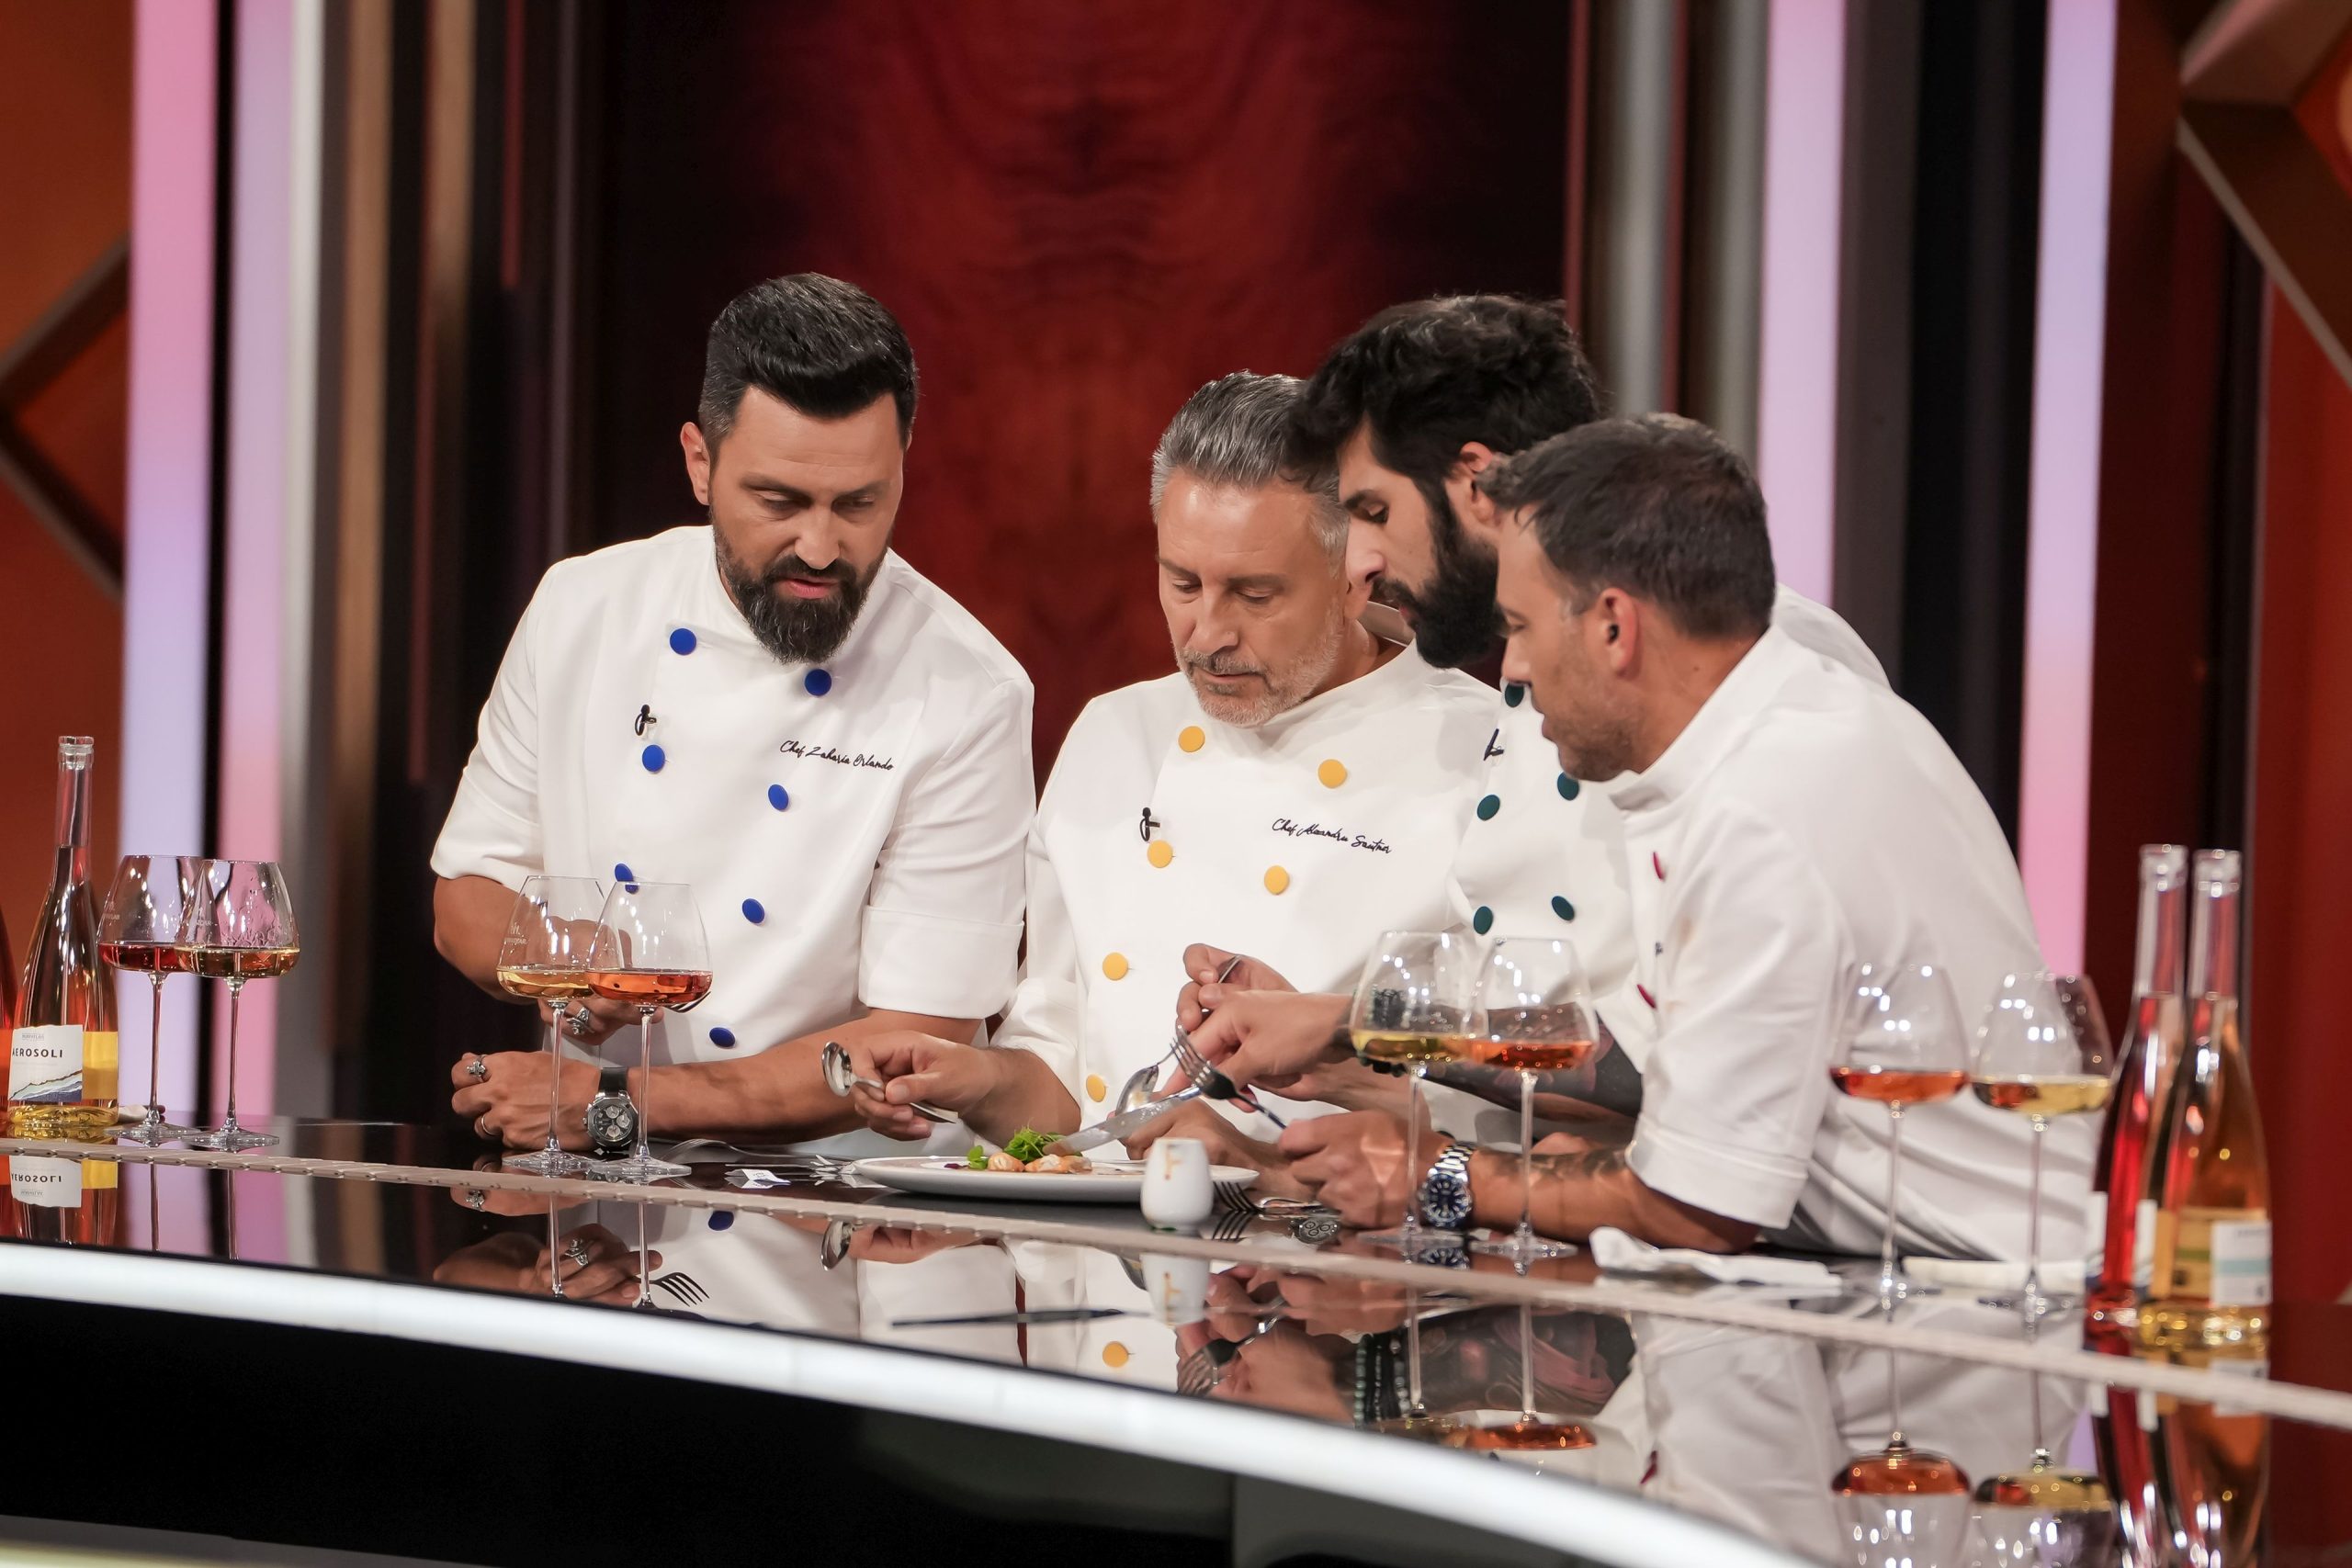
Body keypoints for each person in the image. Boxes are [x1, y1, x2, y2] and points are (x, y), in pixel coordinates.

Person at [1206, 416, 2084, 1260]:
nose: (1513, 671)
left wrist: (1438, 1175)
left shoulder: (1762, 799)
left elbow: (1696, 1205)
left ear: (1615, 628)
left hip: (1978, 1297)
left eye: (1521, 630)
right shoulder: (1743, 748)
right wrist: (1356, 1036)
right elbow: (1653, 1079)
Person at [1174, 294, 1886, 1133]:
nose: (1359, 564)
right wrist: (1339, 1045)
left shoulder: (1740, 655)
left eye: (1374, 512)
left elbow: (1717, 1057)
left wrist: (1350, 1023)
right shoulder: (1533, 683)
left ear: (1477, 484)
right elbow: (1555, 1050)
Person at [845, 373, 1495, 1185]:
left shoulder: (1480, 755)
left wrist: (1277, 1140)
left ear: (1356, 573)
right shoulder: (1115, 735)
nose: (1206, 634)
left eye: (1254, 593)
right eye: (1183, 583)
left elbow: (1516, 1113)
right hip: (1097, 1253)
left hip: (1333, 1254)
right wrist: (978, 1082)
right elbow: (1073, 1094)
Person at [436, 276, 1033, 1153]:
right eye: (779, 502)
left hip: (844, 1199)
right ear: (700, 463)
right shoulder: (582, 609)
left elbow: (916, 1039)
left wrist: (614, 1101)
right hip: (594, 1191)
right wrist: (572, 958)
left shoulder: (968, 690)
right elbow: (466, 897)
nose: (821, 547)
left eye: (860, 504)